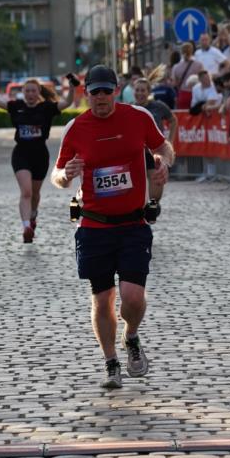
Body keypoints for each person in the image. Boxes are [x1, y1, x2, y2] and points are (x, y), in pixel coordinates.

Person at [51, 65, 174, 390]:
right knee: (102, 298)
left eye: (107, 91)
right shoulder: (76, 127)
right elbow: (58, 175)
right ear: (87, 94)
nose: (101, 97)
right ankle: (110, 362)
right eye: (95, 92)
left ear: (116, 91)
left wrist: (164, 166)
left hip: (133, 223)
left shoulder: (138, 117)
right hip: (94, 225)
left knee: (132, 297)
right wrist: (66, 175)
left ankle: (130, 335)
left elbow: (164, 147)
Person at [0, 69, 76, 242]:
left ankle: (33, 216)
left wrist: (72, 87)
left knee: (35, 194)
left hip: (40, 156)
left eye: (33, 91)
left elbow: (67, 102)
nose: (29, 94)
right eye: (27, 91)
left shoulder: (46, 108)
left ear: (38, 93)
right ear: (23, 92)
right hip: (21, 154)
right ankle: (26, 226)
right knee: (26, 192)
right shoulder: (16, 107)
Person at [132, 76, 176, 208]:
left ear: (149, 92)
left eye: (143, 90)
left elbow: (173, 120)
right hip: (136, 152)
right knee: (135, 184)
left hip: (155, 151)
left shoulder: (158, 106)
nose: (140, 93)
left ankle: (152, 206)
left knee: (156, 190)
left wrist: (170, 141)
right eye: (137, 90)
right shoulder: (130, 108)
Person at [171, 42, 203, 110]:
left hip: (183, 94)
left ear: (181, 52)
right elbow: (203, 79)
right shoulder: (199, 65)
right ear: (192, 51)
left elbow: (174, 83)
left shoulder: (176, 67)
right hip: (197, 94)